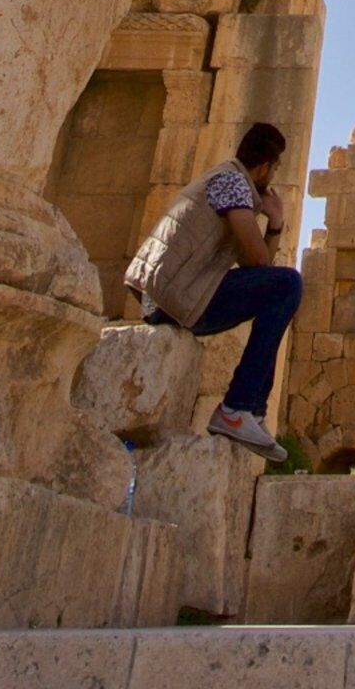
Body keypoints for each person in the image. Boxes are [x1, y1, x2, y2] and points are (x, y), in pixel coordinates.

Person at [124, 121, 300, 459]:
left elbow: (255, 269)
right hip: (173, 297)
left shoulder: (224, 179)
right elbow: (259, 262)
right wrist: (275, 221)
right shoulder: (233, 184)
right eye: (275, 168)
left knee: (280, 285)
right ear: (265, 166)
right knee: (288, 284)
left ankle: (252, 412)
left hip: (165, 293)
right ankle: (238, 408)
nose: (274, 176)